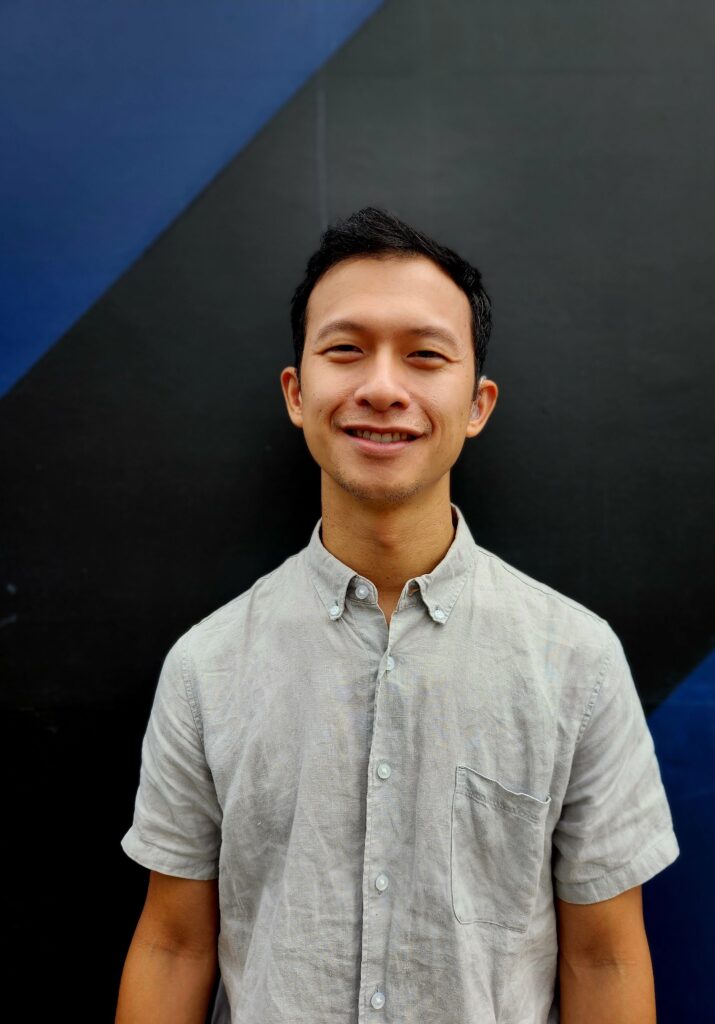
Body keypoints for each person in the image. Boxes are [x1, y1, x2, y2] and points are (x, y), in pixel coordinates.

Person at [116, 206, 680, 1024]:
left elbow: (604, 954)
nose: (383, 388)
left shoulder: (577, 662)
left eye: (424, 355)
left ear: (478, 403)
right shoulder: (206, 666)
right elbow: (173, 945)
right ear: (296, 392)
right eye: (346, 350)